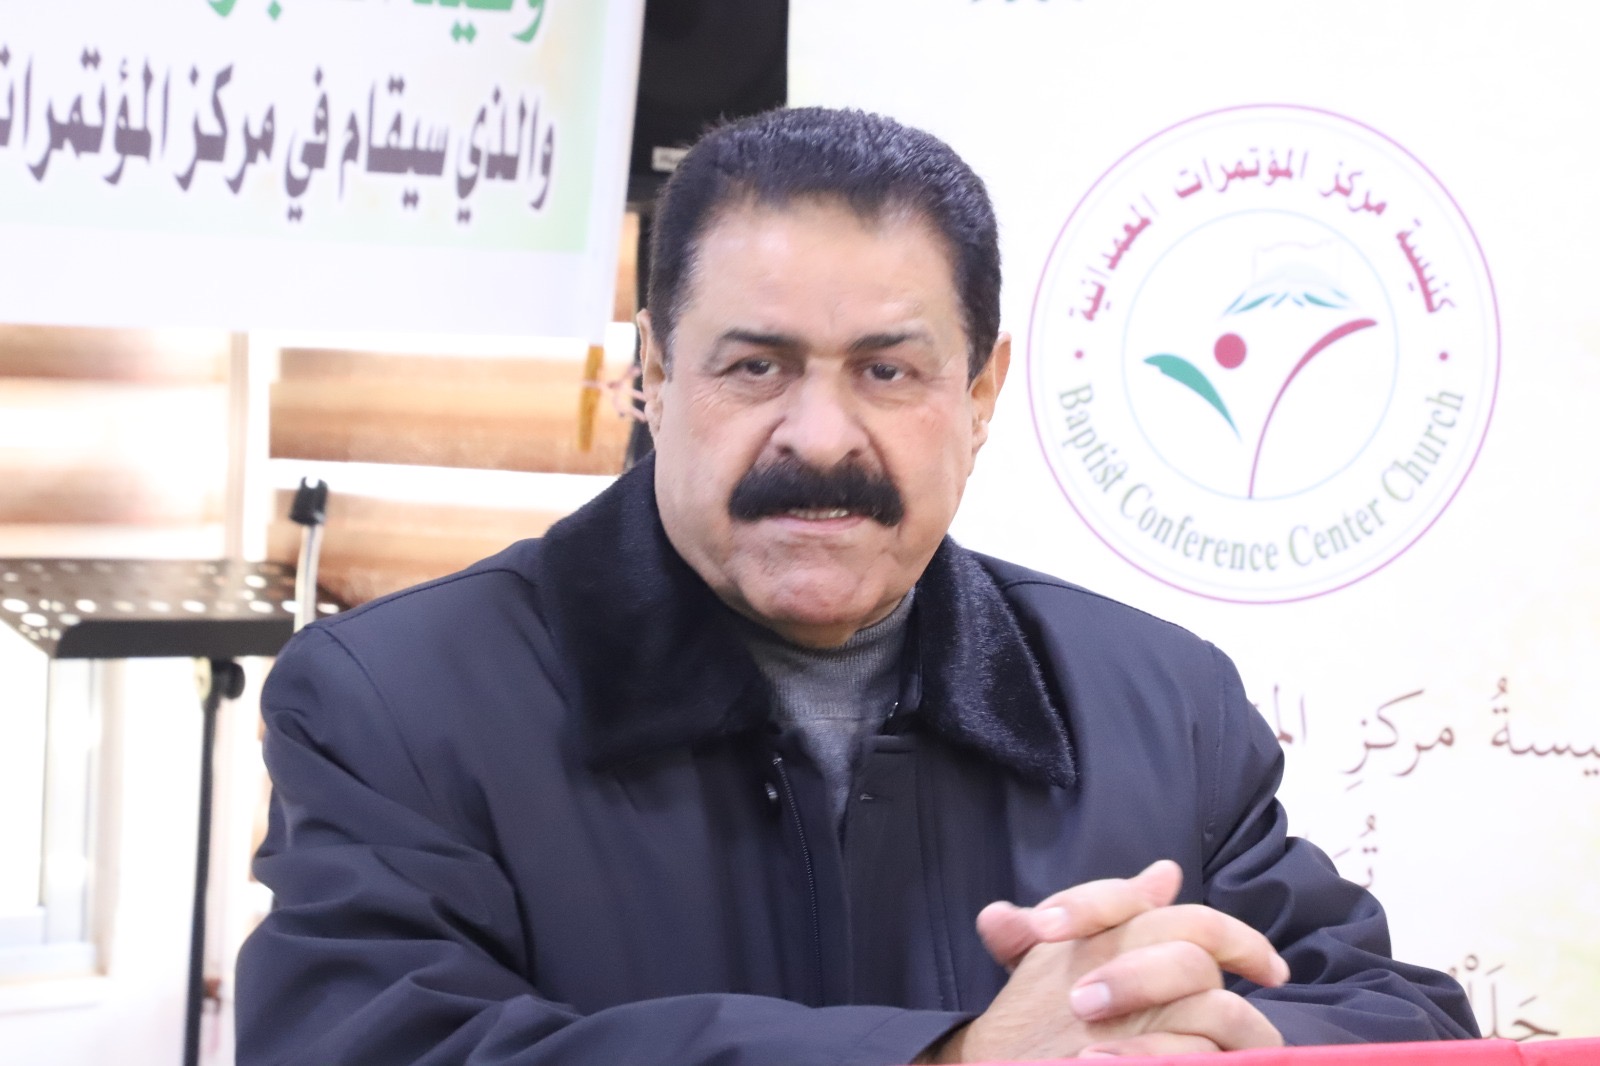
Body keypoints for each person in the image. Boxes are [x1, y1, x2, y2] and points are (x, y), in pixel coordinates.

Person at [235, 107, 1477, 1063]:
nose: (819, 435)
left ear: (980, 395)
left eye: (887, 372)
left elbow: (1396, 1020)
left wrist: (1172, 1036)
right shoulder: (391, 701)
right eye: (755, 367)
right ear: (652, 377)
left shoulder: (1163, 703)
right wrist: (948, 1058)